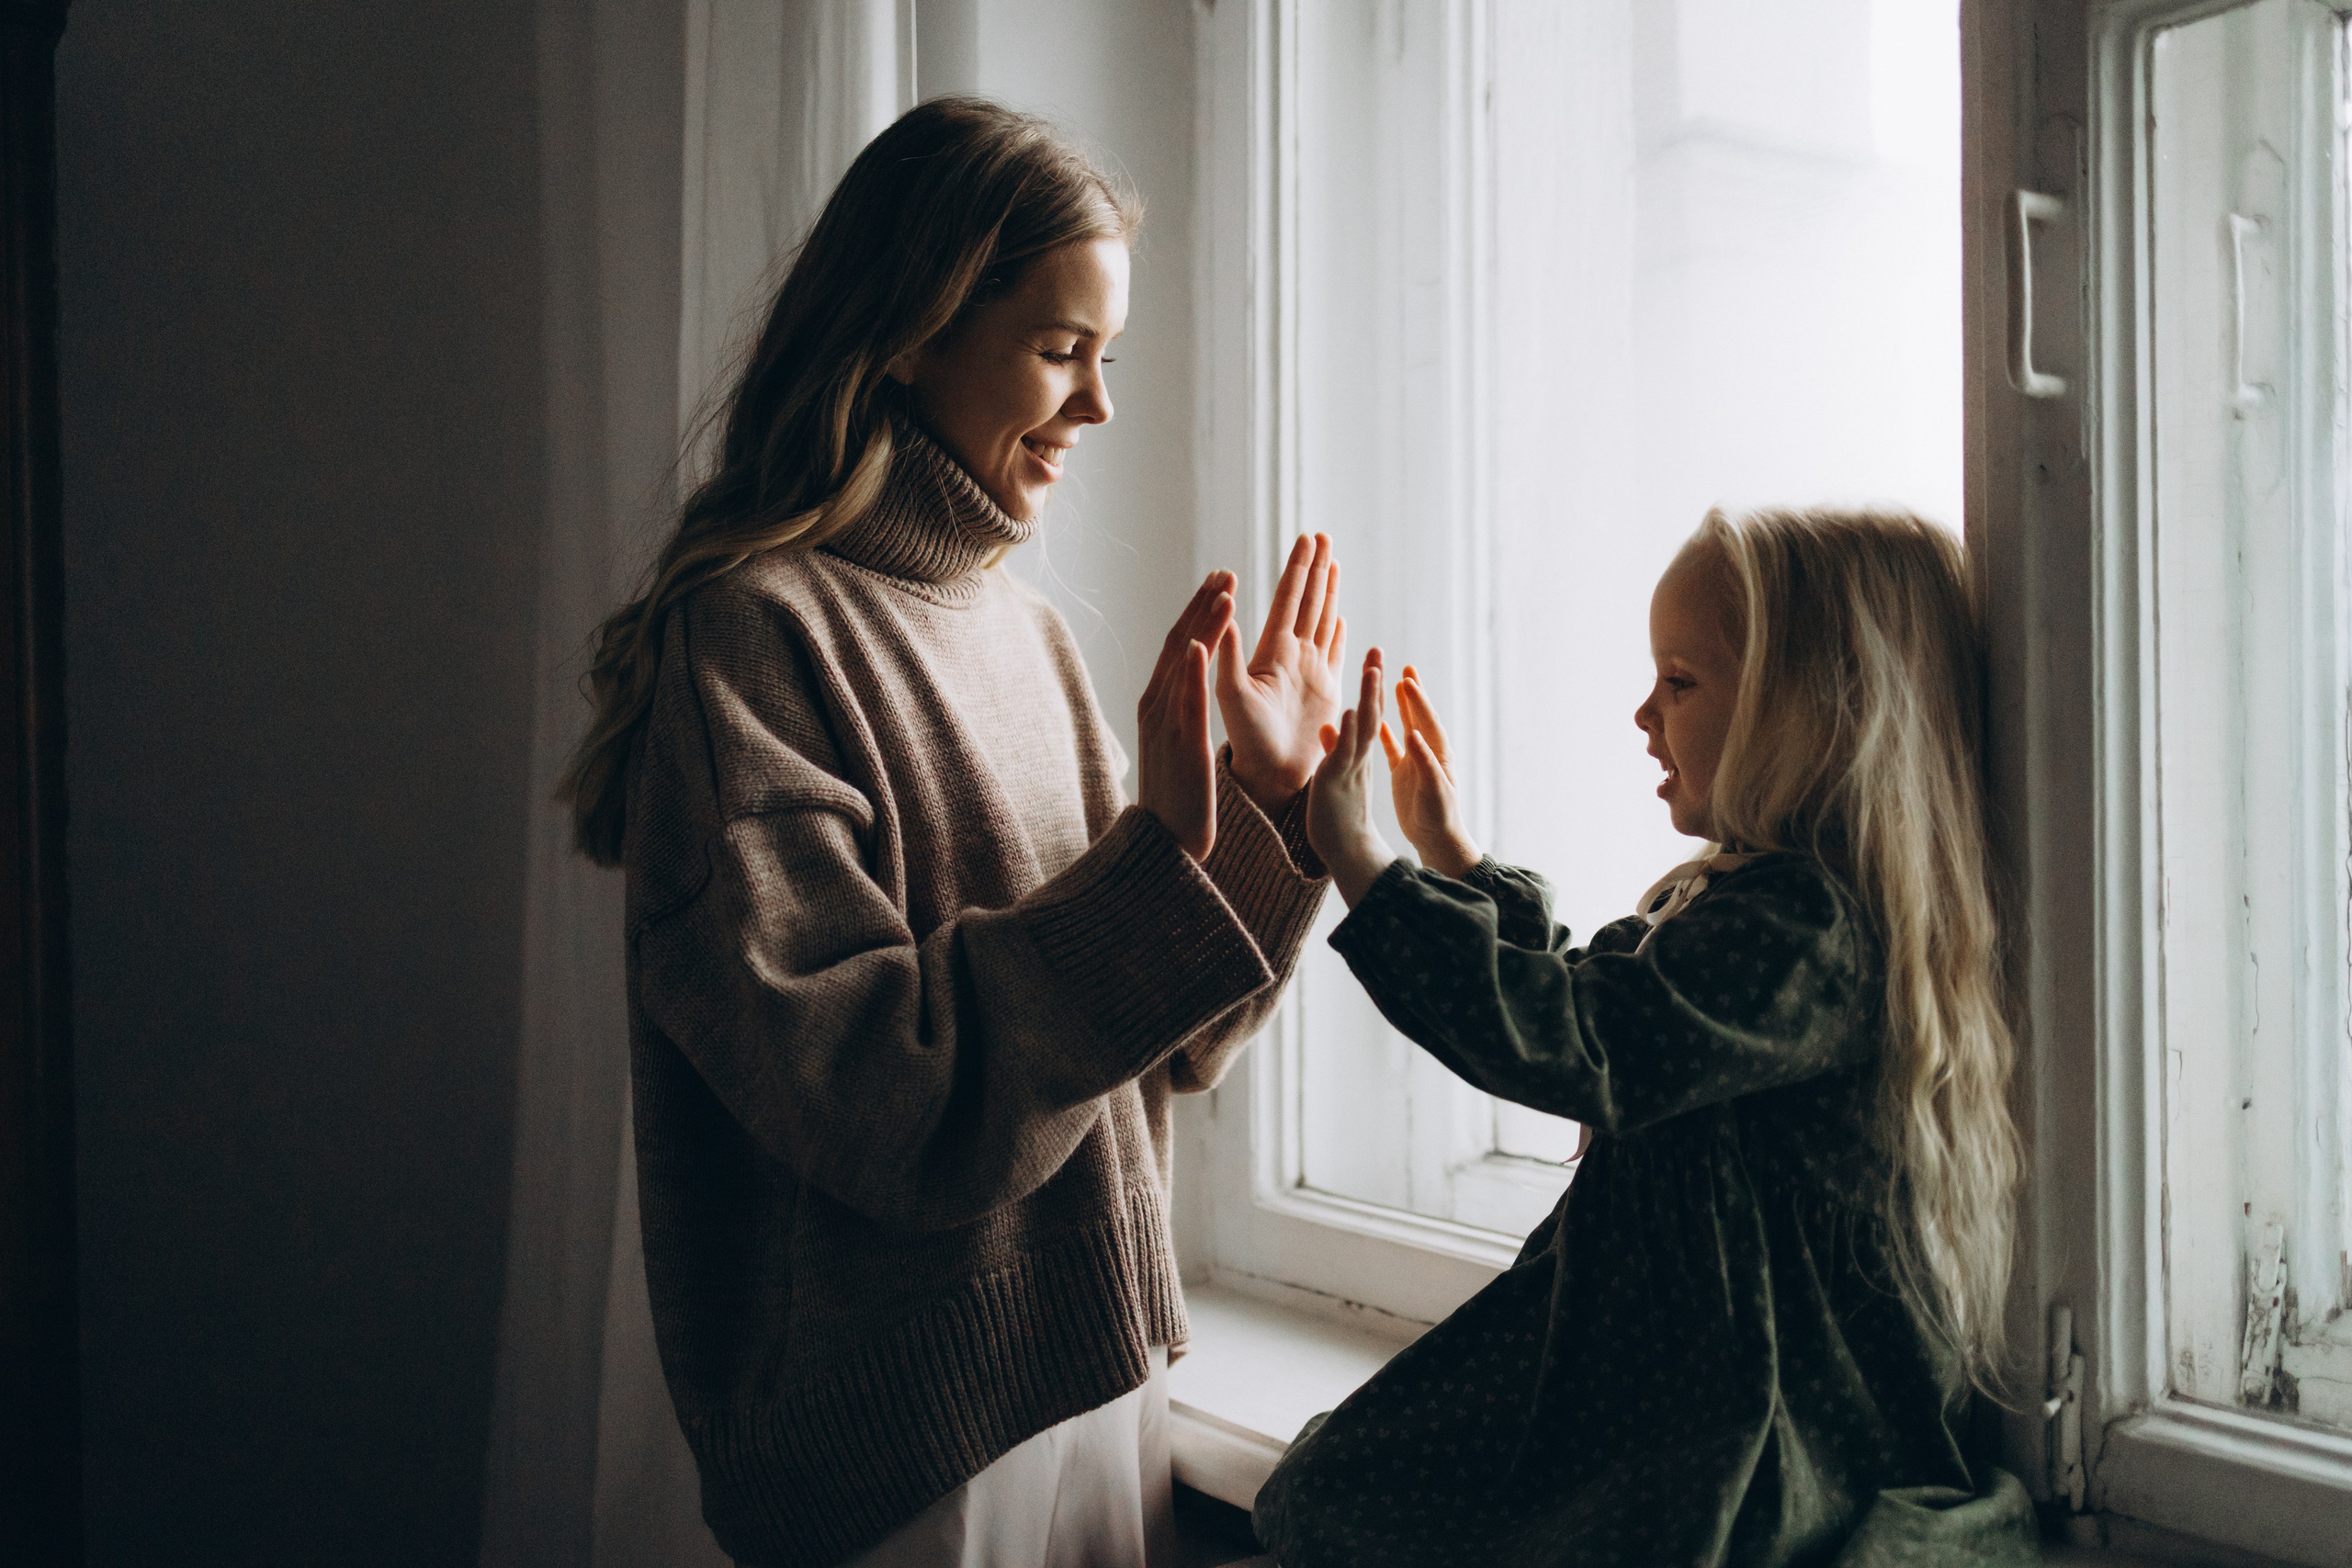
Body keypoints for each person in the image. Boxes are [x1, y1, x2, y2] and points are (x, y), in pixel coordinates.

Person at [560, 98, 1342, 1568]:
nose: (1098, 405)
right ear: (912, 328)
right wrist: (1157, 862)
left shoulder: (1027, 632)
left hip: (1096, 1373)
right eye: (1061, 349)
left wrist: (1266, 819)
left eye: (1109, 357)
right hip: (904, 1449)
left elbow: (1158, 1040)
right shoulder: (750, 638)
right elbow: (873, 1093)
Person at [1261, 508, 2041, 1566]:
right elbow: (1594, 1000)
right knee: (1329, 1493)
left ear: (1815, 712)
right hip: (1636, 1374)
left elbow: (1584, 1042)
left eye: (1680, 681)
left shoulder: (1814, 934)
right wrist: (1454, 860)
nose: (1642, 713)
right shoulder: (1734, 905)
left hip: (1742, 1412)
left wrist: (1362, 862)